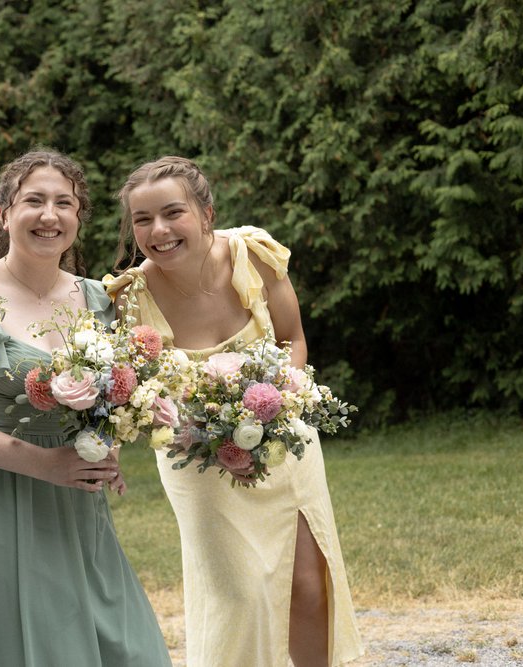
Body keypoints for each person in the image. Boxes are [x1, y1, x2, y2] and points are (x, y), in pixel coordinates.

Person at [105, 156, 364, 667]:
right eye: (142, 220)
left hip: (282, 440)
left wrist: (273, 407)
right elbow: (135, 389)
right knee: (240, 596)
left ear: (206, 212)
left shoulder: (253, 256)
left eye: (172, 213)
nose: (158, 230)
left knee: (307, 586)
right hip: (195, 459)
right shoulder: (130, 296)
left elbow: (292, 340)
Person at [0, 150, 172, 666]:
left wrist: (106, 445)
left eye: (64, 203)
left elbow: (108, 400)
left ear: (79, 217)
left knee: (128, 648)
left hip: (74, 501)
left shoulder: (100, 299)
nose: (49, 215)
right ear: (4, 214)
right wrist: (42, 463)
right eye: (33, 201)